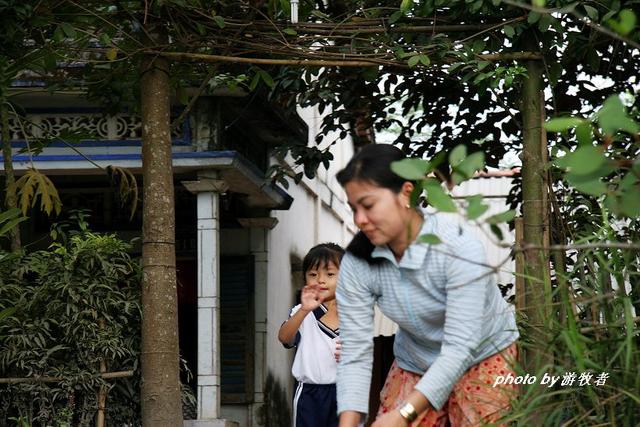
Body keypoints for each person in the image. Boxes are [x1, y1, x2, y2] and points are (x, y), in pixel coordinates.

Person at [334, 144, 519, 427]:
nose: (360, 220)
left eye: (369, 205)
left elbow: (460, 347)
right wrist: (347, 423)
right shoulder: (357, 262)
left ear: (405, 193)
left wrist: (405, 414)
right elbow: (355, 352)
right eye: (354, 208)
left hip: (483, 353)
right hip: (416, 360)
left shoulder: (456, 246)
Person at [278, 243, 345, 427]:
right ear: (305, 278)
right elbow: (284, 338)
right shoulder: (302, 311)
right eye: (313, 275)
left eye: (330, 274)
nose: (321, 280)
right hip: (309, 394)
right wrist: (304, 310)